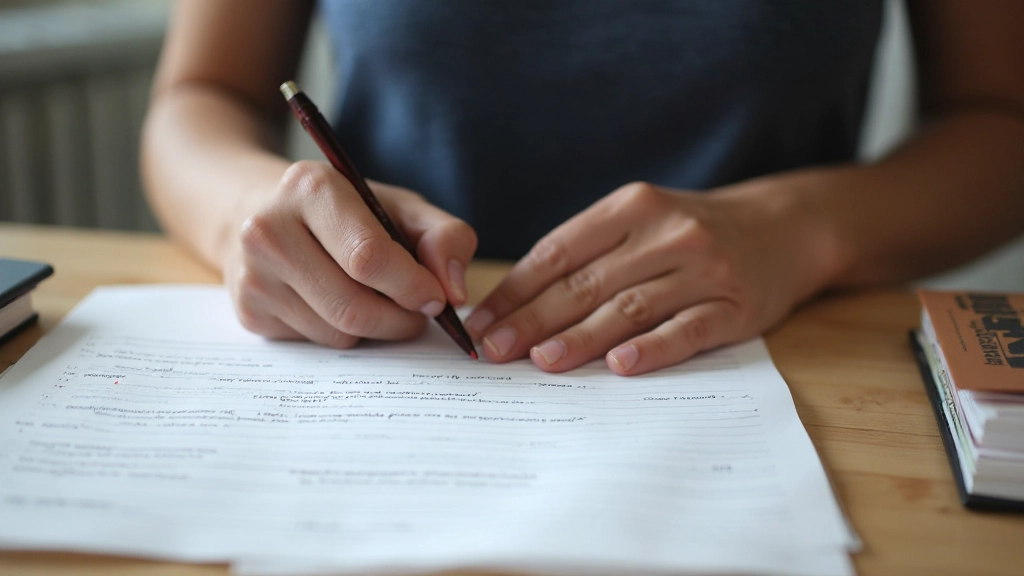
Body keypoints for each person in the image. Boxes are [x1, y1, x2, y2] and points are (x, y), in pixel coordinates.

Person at [142, 1, 1024, 376]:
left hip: (787, 357)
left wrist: (803, 227)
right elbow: (197, 101)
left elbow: (1000, 123)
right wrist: (245, 213)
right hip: (393, 358)